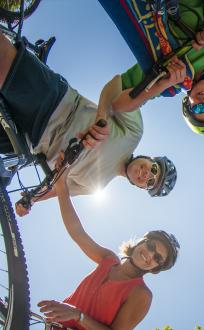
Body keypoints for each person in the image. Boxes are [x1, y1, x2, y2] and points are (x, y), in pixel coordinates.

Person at [0, 32, 177, 217]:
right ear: (150, 158)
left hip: (29, 144)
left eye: (150, 183)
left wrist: (31, 199)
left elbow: (60, 190)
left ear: (140, 187)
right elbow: (116, 84)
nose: (147, 175)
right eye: (154, 169)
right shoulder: (134, 133)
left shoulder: (95, 188)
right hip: (54, 104)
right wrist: (102, 118)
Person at [38, 170, 180, 329]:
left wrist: (78, 316)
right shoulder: (108, 259)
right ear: (142, 242)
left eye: (157, 258)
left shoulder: (141, 294)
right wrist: (62, 187)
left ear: (156, 268)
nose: (150, 255)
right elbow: (77, 233)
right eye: (151, 246)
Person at [97, 0, 204, 136]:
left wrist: (163, 83)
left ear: (188, 104)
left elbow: (118, 105)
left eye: (199, 108)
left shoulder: (167, 81)